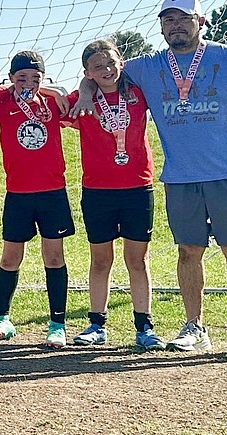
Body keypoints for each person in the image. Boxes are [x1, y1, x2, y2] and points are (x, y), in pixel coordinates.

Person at [74, 0, 227, 361]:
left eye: (183, 19)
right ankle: (195, 326)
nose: (176, 26)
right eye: (168, 21)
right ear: (162, 27)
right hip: (180, 178)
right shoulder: (146, 66)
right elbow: (100, 73)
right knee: (188, 251)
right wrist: (86, 89)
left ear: (201, 21)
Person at [66, 40, 164, 350]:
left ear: (120, 61)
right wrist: (83, 92)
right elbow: (54, 100)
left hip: (138, 188)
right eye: (97, 67)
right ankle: (97, 324)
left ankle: (144, 326)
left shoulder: (138, 91)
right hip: (97, 191)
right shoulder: (81, 99)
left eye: (110, 63)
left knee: (137, 260)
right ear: (87, 72)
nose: (106, 70)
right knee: (100, 260)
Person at [0, 51, 74, 349]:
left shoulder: (53, 103)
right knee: (11, 257)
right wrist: (11, 88)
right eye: (21, 77)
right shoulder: (2, 103)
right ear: (11, 78)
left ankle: (57, 324)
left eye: (36, 78)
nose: (29, 83)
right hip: (18, 194)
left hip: (52, 193)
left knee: (54, 257)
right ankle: (1, 318)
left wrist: (50, 90)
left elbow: (78, 93)